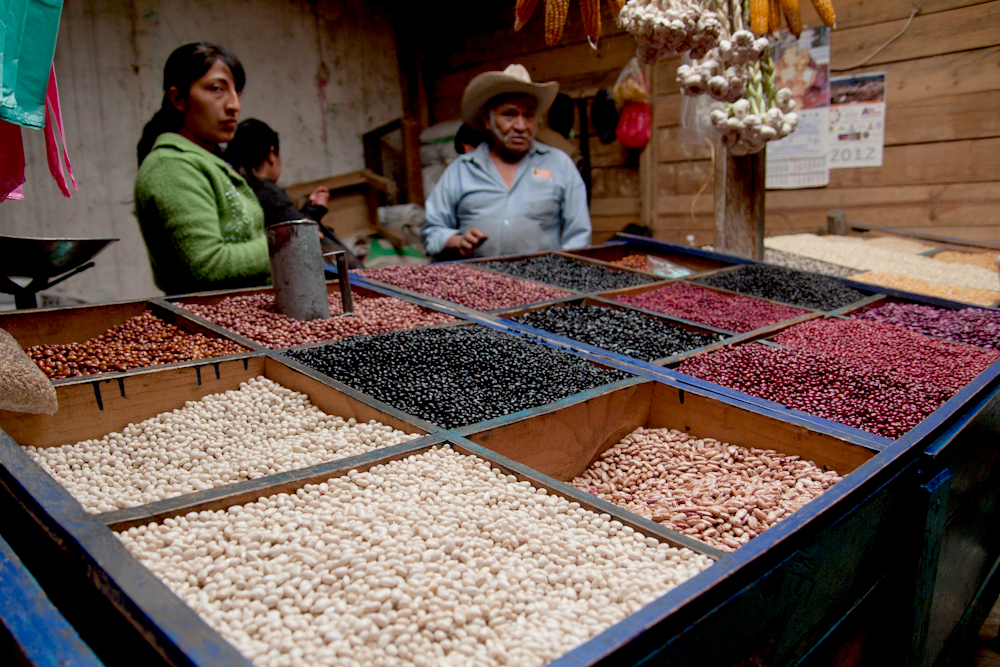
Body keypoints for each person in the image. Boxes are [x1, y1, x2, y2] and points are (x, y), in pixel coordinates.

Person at [134, 43, 270, 295]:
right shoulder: (171, 166)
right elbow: (206, 264)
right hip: (211, 322)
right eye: (216, 89)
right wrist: (288, 245)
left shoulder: (209, 161)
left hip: (239, 316)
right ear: (179, 98)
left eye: (237, 91)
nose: (234, 105)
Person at [421, 64, 592, 259]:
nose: (521, 126)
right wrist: (457, 241)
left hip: (541, 285)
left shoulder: (560, 164)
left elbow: (579, 236)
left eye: (528, 115)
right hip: (475, 283)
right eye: (509, 114)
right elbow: (431, 232)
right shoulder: (460, 170)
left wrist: (560, 277)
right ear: (488, 120)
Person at [225, 118, 361, 267]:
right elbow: (300, 235)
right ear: (271, 154)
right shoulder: (268, 195)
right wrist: (314, 212)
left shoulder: (236, 189)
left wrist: (310, 210)